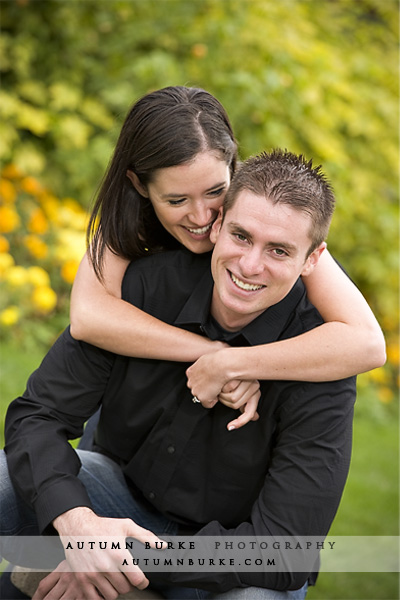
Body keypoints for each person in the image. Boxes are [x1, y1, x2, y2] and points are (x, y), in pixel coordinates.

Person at [4, 150, 359, 600]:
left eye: (279, 250)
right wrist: (78, 524)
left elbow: (286, 549)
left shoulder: (322, 357)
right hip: (121, 503)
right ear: (217, 225)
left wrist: (116, 559)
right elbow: (36, 416)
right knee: (6, 479)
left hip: (235, 566)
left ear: (313, 258)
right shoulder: (148, 287)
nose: (250, 265)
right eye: (241, 236)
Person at [69, 86, 385, 418]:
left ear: (232, 168)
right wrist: (214, 353)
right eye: (177, 200)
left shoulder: (265, 218)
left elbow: (367, 344)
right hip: (135, 399)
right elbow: (89, 317)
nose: (203, 217)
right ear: (139, 185)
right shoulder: (129, 218)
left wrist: (236, 363)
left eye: (216, 191)